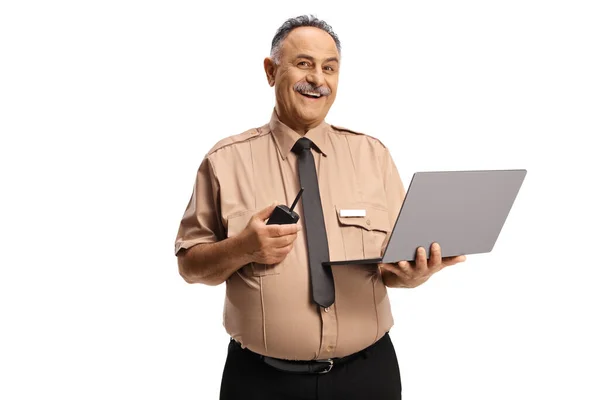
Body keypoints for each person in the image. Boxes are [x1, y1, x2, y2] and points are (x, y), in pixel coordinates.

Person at [174, 15, 466, 400]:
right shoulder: (224, 161)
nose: (318, 79)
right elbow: (189, 266)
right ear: (270, 70)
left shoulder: (372, 155)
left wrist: (414, 275)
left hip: (368, 376)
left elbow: (390, 270)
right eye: (304, 63)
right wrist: (244, 248)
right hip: (261, 383)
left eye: (330, 68)